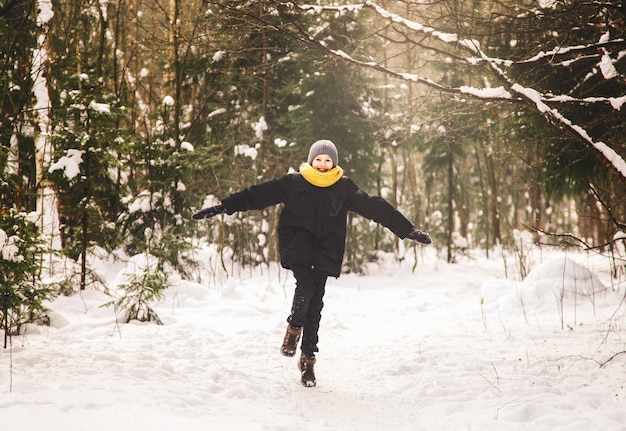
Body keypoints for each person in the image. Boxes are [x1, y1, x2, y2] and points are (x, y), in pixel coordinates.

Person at [193, 139, 432, 387]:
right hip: (298, 245)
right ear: (311, 160)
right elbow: (260, 194)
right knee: (305, 287)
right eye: (318, 159)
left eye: (327, 160)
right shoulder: (294, 182)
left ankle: (307, 361)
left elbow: (375, 207)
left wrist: (407, 231)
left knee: (316, 304)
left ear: (334, 163)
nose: (322, 164)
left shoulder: (344, 187)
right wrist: (225, 207)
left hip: (326, 251)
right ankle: (293, 328)